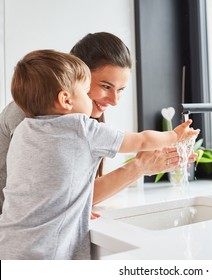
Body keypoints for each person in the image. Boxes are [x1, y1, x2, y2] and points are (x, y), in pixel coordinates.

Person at [0, 49, 199, 260]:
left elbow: (44, 186)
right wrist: (174, 136)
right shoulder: (79, 127)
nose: (114, 101)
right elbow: (141, 140)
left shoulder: (25, 128)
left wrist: (79, 205)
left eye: (121, 90)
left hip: (9, 244)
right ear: (66, 99)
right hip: (47, 253)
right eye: (95, 89)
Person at [0, 32, 190, 216]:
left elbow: (77, 194)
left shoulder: (76, 121)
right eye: (106, 86)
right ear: (79, 76)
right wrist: (149, 158)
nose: (115, 101)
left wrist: (141, 166)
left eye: (121, 89)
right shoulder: (32, 116)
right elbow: (42, 200)